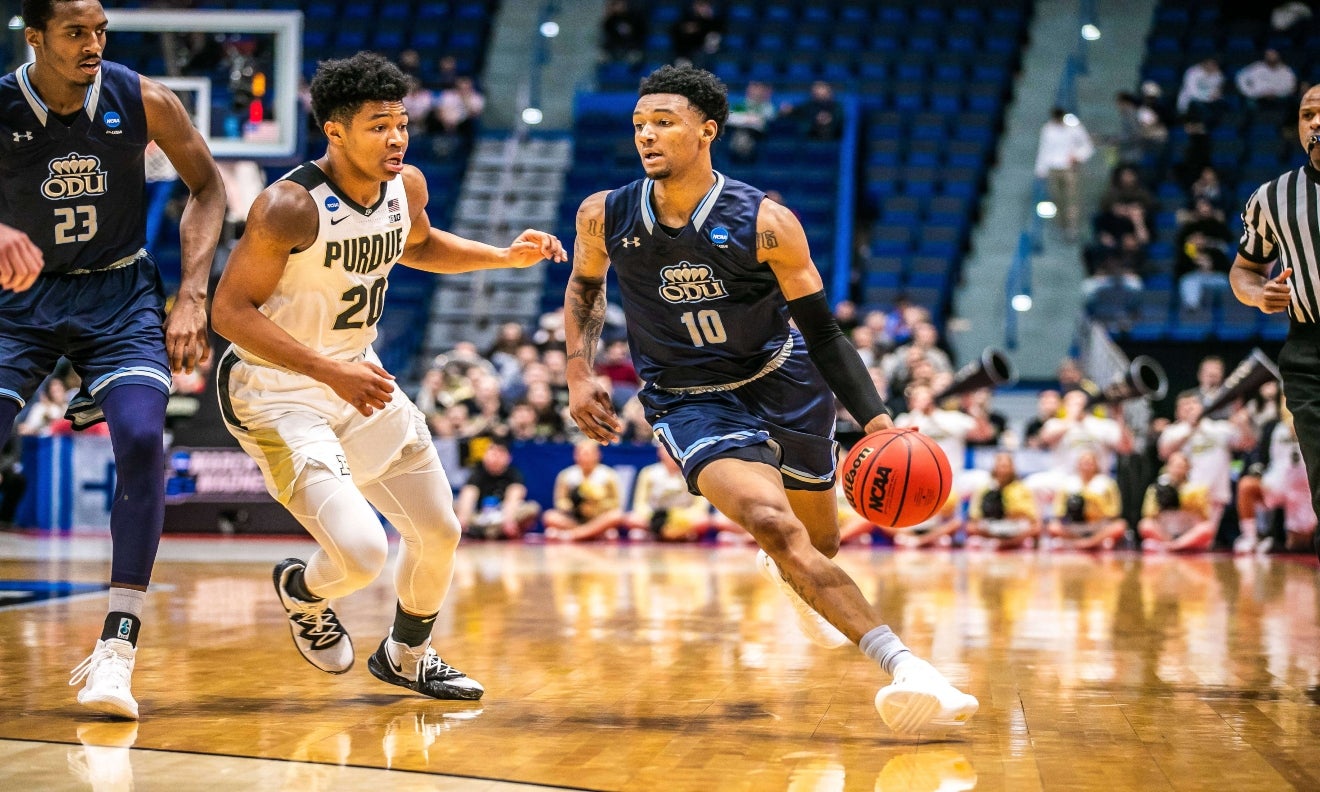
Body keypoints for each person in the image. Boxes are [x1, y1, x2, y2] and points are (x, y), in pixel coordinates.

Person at [563, 64, 977, 735]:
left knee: (820, 544)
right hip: (688, 398)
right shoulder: (603, 214)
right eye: (640, 124)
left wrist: (877, 421)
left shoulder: (764, 222)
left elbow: (823, 330)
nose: (647, 135)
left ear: (708, 131)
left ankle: (792, 564)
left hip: (783, 378)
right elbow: (584, 291)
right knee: (774, 523)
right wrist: (580, 371)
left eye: (664, 122)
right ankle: (911, 670)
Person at [210, 52, 565, 701]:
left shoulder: (408, 187)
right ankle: (302, 591)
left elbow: (419, 245)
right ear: (336, 131)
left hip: (357, 375)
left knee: (439, 531)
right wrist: (326, 370)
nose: (397, 138)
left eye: (400, 123)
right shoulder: (288, 206)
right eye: (379, 125)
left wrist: (503, 258)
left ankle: (407, 654)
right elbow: (229, 312)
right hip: (278, 390)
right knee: (363, 554)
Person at [0, 0, 226, 720]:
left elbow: (210, 187)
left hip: (119, 297)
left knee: (139, 441)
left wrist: (193, 292)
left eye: (100, 31)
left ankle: (116, 651)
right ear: (35, 38)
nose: (94, 44)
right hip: (21, 303)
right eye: (75, 33)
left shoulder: (140, 97)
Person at [452, 438, 539, 540]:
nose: (495, 457)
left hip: (503, 517)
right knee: (451, 506)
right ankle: (485, 532)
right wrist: (462, 520)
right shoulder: (477, 473)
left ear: (508, 457)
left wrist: (508, 520)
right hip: (480, 517)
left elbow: (514, 496)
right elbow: (468, 494)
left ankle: (489, 532)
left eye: (500, 453)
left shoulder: (514, 474)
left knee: (532, 508)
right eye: (492, 452)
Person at [541, 439, 627, 541]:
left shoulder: (609, 475)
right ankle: (594, 534)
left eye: (588, 453)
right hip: (575, 519)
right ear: (575, 455)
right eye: (581, 453)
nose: (584, 457)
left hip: (599, 518)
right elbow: (560, 501)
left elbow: (617, 503)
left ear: (598, 455)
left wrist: (598, 503)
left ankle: (572, 535)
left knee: (616, 516)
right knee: (550, 516)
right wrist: (572, 505)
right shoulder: (566, 475)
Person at [1034, 107, 1095, 241]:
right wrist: (1040, 170)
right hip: (1053, 168)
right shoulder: (1047, 129)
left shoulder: (1073, 127)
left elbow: (1088, 146)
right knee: (1057, 199)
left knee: (1071, 199)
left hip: (1069, 168)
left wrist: (1077, 156)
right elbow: (1044, 149)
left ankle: (1072, 228)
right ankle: (1062, 226)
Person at [1137, 451, 1216, 552]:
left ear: (1188, 468)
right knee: (1145, 525)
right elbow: (1148, 515)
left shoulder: (1198, 489)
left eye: (1181, 466)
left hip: (1187, 529)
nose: (1178, 469)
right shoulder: (1156, 488)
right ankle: (1173, 545)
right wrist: (1163, 504)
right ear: (1167, 467)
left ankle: (1174, 546)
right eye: (1175, 466)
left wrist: (1183, 502)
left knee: (1207, 528)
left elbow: (1204, 517)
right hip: (1165, 530)